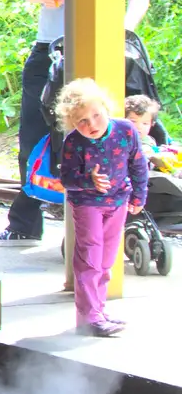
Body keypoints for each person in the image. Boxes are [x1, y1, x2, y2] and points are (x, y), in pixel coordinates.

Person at [0, 0, 150, 244]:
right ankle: (25, 221)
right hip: (50, 49)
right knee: (34, 133)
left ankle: (109, 215)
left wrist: (123, 32)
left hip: (103, 48)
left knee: (105, 133)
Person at [54, 78, 149, 336]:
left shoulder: (126, 130)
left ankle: (99, 310)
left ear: (106, 108)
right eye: (82, 121)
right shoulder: (73, 142)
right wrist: (89, 180)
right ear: (73, 123)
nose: (92, 124)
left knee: (107, 260)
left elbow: (138, 164)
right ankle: (89, 317)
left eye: (96, 115)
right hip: (87, 204)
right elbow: (67, 180)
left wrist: (139, 195)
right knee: (90, 259)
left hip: (118, 200)